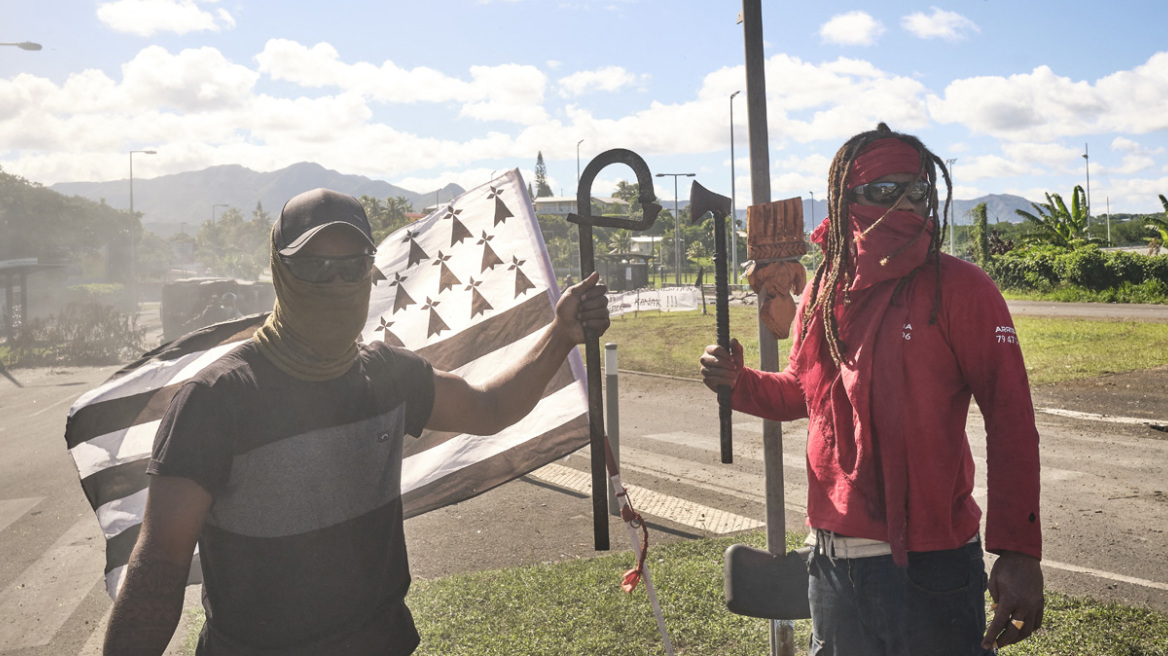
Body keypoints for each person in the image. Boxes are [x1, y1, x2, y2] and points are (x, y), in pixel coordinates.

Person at [104, 188, 611, 655]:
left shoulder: (389, 374)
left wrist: (561, 334)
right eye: (316, 267)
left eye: (353, 268)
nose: (338, 283)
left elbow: (491, 407)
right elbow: (160, 569)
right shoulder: (214, 401)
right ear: (280, 272)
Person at [700, 124, 1043, 655]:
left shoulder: (961, 288)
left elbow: (1012, 421)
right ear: (846, 201)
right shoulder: (823, 290)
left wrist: (1019, 552)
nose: (906, 204)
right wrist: (738, 383)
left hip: (935, 565)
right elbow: (802, 393)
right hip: (834, 567)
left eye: (919, 191)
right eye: (886, 191)